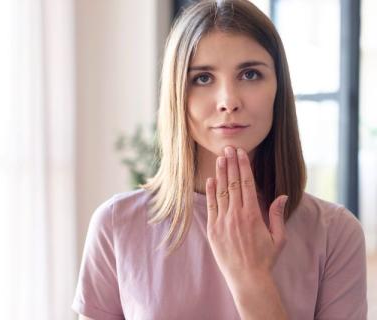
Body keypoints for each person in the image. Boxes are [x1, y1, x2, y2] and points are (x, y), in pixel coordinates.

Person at [71, 0, 368, 319]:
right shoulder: (116, 225)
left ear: (278, 89)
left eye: (250, 74)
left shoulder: (335, 234)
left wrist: (251, 279)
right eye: (202, 78)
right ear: (177, 95)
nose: (229, 100)